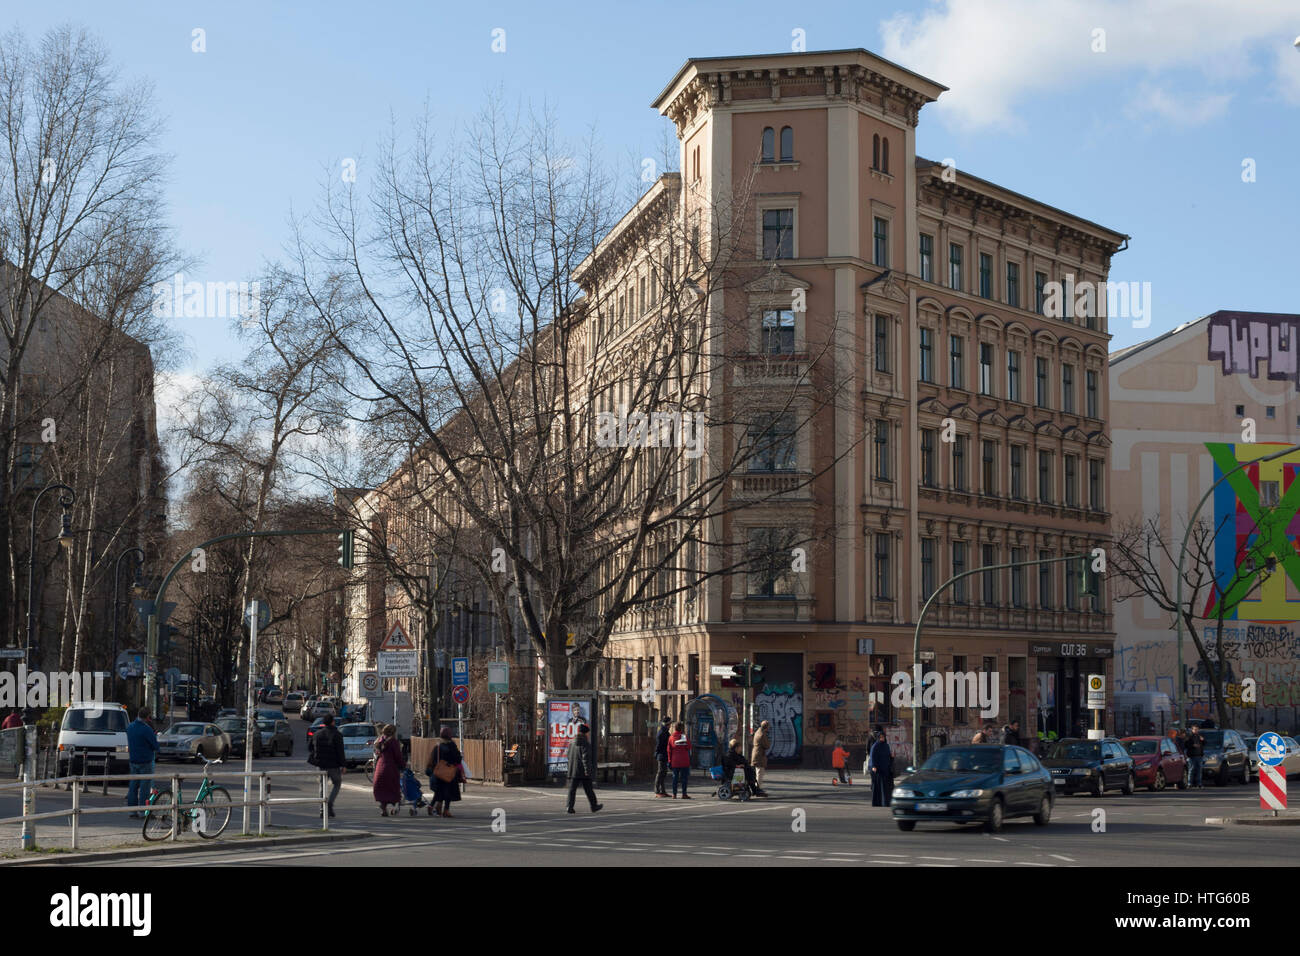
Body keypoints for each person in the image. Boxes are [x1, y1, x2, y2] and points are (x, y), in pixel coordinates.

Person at [308, 713, 345, 818]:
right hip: (333, 764)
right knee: (337, 784)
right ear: (332, 722)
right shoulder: (337, 734)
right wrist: (343, 765)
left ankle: (322, 808)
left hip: (320, 764)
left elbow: (310, 747)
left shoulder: (317, 734)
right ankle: (329, 803)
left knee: (322, 785)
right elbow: (340, 751)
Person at [125, 707, 159, 819]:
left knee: (133, 787)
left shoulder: (130, 727)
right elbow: (155, 746)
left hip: (133, 760)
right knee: (145, 787)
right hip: (145, 760)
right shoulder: (147, 729)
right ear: (148, 717)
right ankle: (142, 811)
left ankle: (132, 811)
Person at [427, 726, 464, 817]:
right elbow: (457, 759)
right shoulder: (451, 745)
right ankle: (446, 810)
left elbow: (433, 759)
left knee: (438, 792)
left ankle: (431, 806)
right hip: (448, 773)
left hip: (438, 773)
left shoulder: (438, 746)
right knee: (449, 792)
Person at [565, 723, 602, 814]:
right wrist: (587, 770)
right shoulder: (585, 743)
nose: (588, 734)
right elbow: (585, 758)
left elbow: (568, 755)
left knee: (572, 790)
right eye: (588, 733)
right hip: (582, 771)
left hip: (573, 770)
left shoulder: (572, 742)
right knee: (589, 789)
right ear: (585, 733)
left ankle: (569, 807)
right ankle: (594, 806)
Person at [372, 724, 404, 816]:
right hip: (390, 768)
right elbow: (397, 756)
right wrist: (403, 765)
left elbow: (377, 753)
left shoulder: (379, 740)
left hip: (380, 767)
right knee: (392, 788)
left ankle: (383, 807)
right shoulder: (393, 742)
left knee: (383, 789)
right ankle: (393, 806)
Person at [667, 721, 692, 798]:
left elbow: (669, 750)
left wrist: (669, 761)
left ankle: (674, 794)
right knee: (684, 778)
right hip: (684, 760)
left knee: (675, 778)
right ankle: (684, 794)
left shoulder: (671, 738)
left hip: (675, 761)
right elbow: (689, 747)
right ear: (681, 728)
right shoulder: (684, 737)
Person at [869, 728, 893, 807]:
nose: (882, 738)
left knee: (886, 787)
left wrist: (891, 757)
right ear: (878, 738)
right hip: (878, 770)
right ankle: (878, 803)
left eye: (883, 737)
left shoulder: (886, 745)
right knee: (878, 787)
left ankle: (885, 802)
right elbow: (872, 757)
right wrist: (873, 766)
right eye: (881, 737)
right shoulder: (875, 746)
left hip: (886, 769)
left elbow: (888, 756)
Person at [751, 720, 771, 793]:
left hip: (757, 753)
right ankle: (757, 788)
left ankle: (756, 788)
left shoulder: (758, 732)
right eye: (768, 726)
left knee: (758, 772)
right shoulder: (762, 734)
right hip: (759, 755)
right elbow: (767, 745)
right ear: (766, 727)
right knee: (760, 772)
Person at [654, 715, 672, 797]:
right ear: (667, 724)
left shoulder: (665, 732)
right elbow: (658, 745)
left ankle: (662, 791)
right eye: (670, 724)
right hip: (661, 755)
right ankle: (657, 791)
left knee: (663, 773)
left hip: (664, 754)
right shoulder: (662, 732)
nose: (670, 725)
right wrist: (656, 754)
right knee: (660, 772)